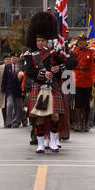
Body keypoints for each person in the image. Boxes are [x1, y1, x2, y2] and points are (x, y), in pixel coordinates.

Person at [21, 12, 69, 154]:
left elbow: (72, 62)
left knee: (54, 115)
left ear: (47, 41)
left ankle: (53, 141)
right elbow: (28, 70)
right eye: (38, 41)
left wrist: (57, 69)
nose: (40, 43)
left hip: (53, 87)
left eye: (42, 40)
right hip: (39, 87)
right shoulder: (30, 55)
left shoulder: (54, 53)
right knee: (40, 117)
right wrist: (42, 74)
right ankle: (41, 143)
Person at [71, 35, 95, 133]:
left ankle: (85, 123)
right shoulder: (74, 52)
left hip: (87, 80)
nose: (81, 43)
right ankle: (78, 122)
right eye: (79, 42)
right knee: (77, 103)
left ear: (86, 42)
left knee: (86, 103)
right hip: (77, 80)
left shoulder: (91, 52)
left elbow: (94, 67)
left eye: (83, 41)